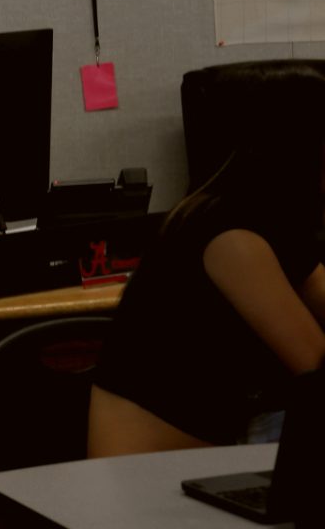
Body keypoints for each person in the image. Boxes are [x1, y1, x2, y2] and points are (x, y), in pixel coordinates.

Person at [87, 64, 325, 457]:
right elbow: (315, 368)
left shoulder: (274, 224)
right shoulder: (228, 234)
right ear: (299, 148)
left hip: (216, 462)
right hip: (149, 480)